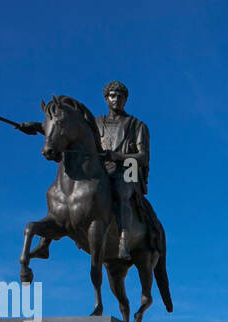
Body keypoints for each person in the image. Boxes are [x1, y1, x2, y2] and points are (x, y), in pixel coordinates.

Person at [19, 81, 150, 261]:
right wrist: (35, 127)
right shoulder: (96, 122)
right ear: (106, 98)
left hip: (126, 170)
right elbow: (64, 128)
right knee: (63, 191)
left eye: (121, 96)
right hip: (98, 170)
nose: (116, 99)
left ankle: (123, 241)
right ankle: (44, 244)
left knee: (121, 190)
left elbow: (142, 157)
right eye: (113, 95)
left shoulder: (137, 125)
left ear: (126, 99)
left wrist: (116, 156)